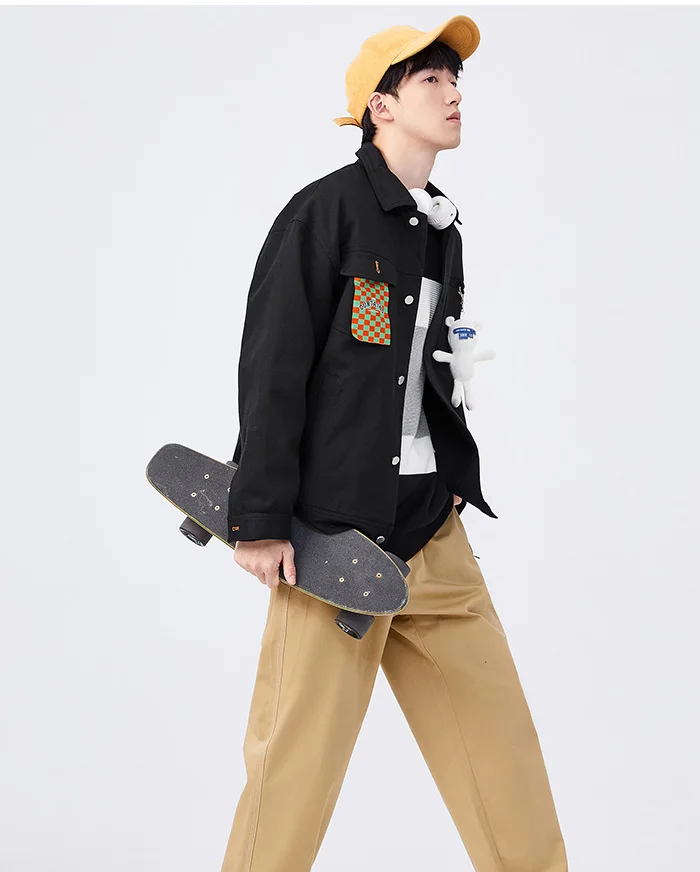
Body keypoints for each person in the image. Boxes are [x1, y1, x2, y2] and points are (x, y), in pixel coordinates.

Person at [220, 15, 568, 872]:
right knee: (293, 775)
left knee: (505, 763)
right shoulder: (324, 214)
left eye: (457, 82)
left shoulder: (441, 231)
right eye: (431, 82)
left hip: (432, 536)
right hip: (333, 543)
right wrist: (259, 518)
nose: (454, 95)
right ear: (380, 106)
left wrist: (450, 479)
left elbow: (424, 374)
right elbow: (273, 366)